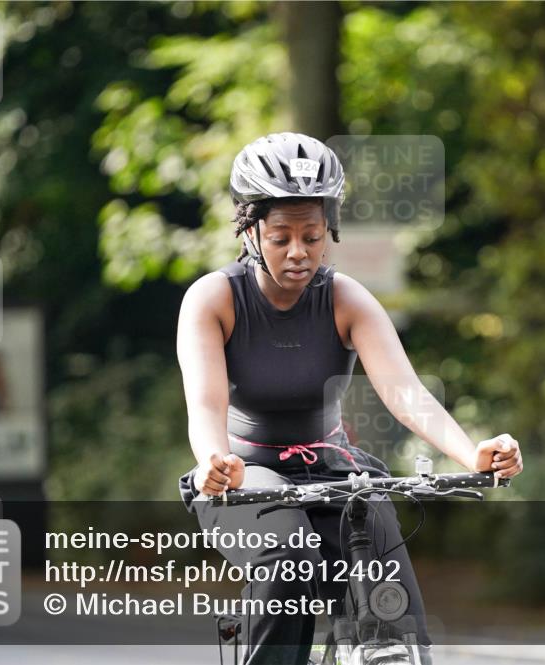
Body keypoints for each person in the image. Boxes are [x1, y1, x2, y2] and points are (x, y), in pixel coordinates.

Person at [177, 132, 522, 665]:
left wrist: (471, 452)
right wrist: (213, 464)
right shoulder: (214, 299)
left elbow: (407, 394)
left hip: (334, 467)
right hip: (243, 472)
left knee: (389, 588)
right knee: (288, 559)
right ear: (249, 231)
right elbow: (205, 404)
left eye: (313, 236)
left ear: (329, 231)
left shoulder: (345, 298)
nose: (299, 253)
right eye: (281, 237)